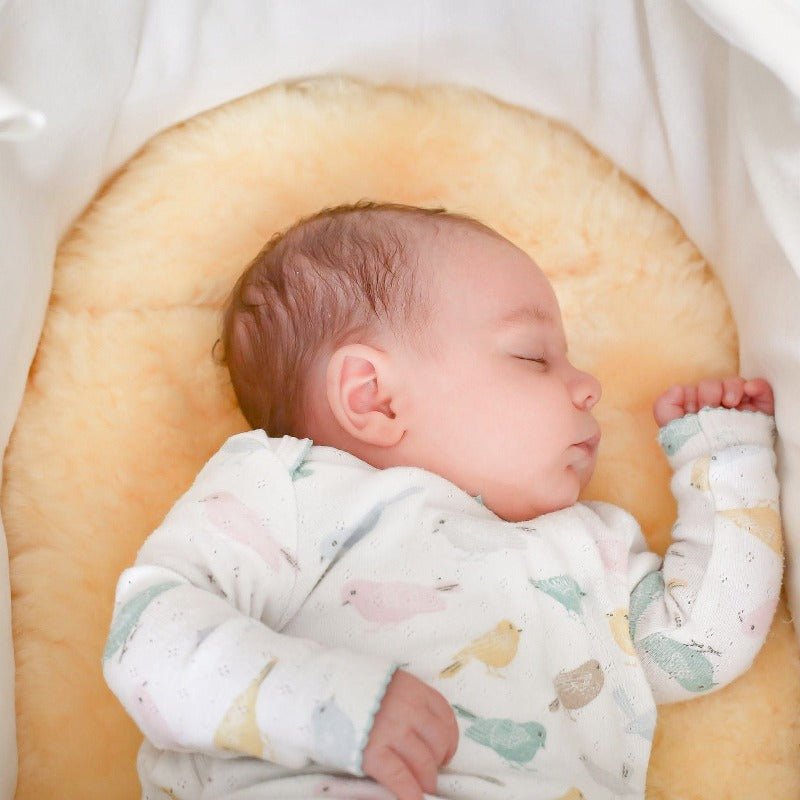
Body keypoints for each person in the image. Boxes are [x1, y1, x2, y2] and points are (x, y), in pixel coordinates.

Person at [103, 201, 782, 800]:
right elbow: (150, 637)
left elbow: (699, 648)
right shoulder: (292, 490)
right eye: (533, 358)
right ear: (374, 397)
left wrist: (725, 460)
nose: (589, 388)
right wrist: (334, 706)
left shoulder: (588, 545)